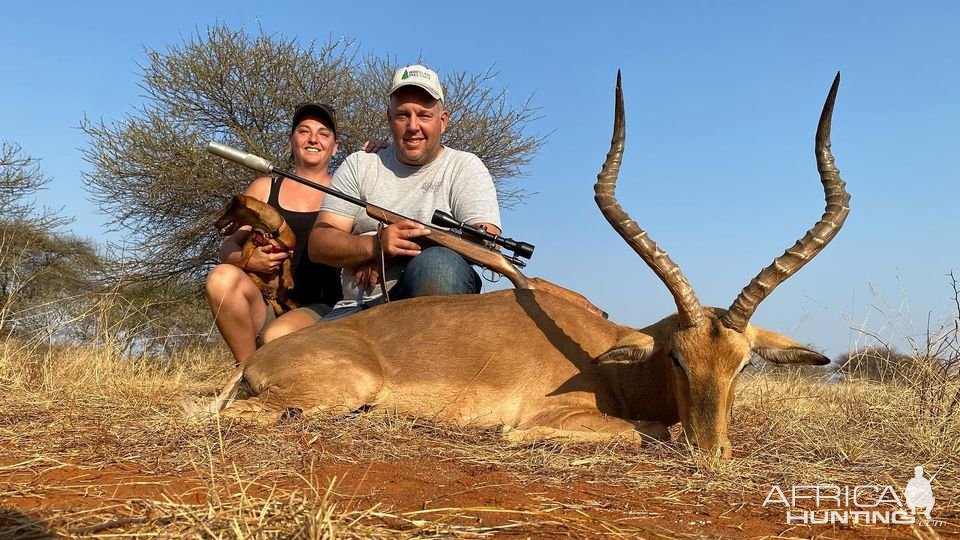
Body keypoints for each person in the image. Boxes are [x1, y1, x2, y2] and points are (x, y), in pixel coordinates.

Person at [309, 64, 501, 319]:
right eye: (402, 115)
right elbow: (319, 243)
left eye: (424, 115)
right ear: (389, 118)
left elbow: (485, 238)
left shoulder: (465, 167)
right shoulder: (361, 163)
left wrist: (394, 250)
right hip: (359, 309)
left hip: (425, 310)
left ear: (442, 121)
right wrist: (374, 245)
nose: (412, 126)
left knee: (439, 267)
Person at [205, 103, 343, 364]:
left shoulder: (346, 191)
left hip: (321, 310)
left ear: (335, 147)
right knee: (220, 278)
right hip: (266, 304)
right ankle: (245, 375)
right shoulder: (265, 187)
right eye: (304, 131)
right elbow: (227, 248)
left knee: (277, 336)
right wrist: (248, 260)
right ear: (290, 141)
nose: (313, 139)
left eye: (324, 133)